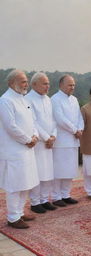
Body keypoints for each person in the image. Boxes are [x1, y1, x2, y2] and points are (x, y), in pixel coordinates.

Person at [0, 70, 39, 229]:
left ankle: (20, 212)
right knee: (14, 185)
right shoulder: (5, 100)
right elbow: (11, 126)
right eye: (22, 81)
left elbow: (33, 121)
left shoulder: (23, 99)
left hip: (27, 149)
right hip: (14, 150)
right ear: (11, 83)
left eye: (26, 81)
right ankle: (13, 217)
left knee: (26, 182)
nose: (26, 84)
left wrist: (35, 136)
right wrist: (27, 140)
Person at [25, 72, 57, 213]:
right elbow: (33, 122)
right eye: (44, 83)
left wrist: (53, 136)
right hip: (38, 143)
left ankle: (44, 199)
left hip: (49, 142)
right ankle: (35, 202)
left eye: (48, 83)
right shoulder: (28, 99)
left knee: (48, 172)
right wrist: (46, 137)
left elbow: (53, 120)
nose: (47, 86)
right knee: (37, 173)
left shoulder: (48, 99)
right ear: (34, 84)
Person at [51, 75, 84, 206]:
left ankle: (66, 194)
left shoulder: (75, 100)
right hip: (61, 140)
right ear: (61, 85)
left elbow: (79, 117)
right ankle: (56, 196)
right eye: (70, 85)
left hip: (74, 140)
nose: (72, 87)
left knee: (70, 169)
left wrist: (80, 129)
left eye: (73, 85)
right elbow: (60, 119)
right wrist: (74, 130)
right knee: (59, 170)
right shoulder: (55, 99)